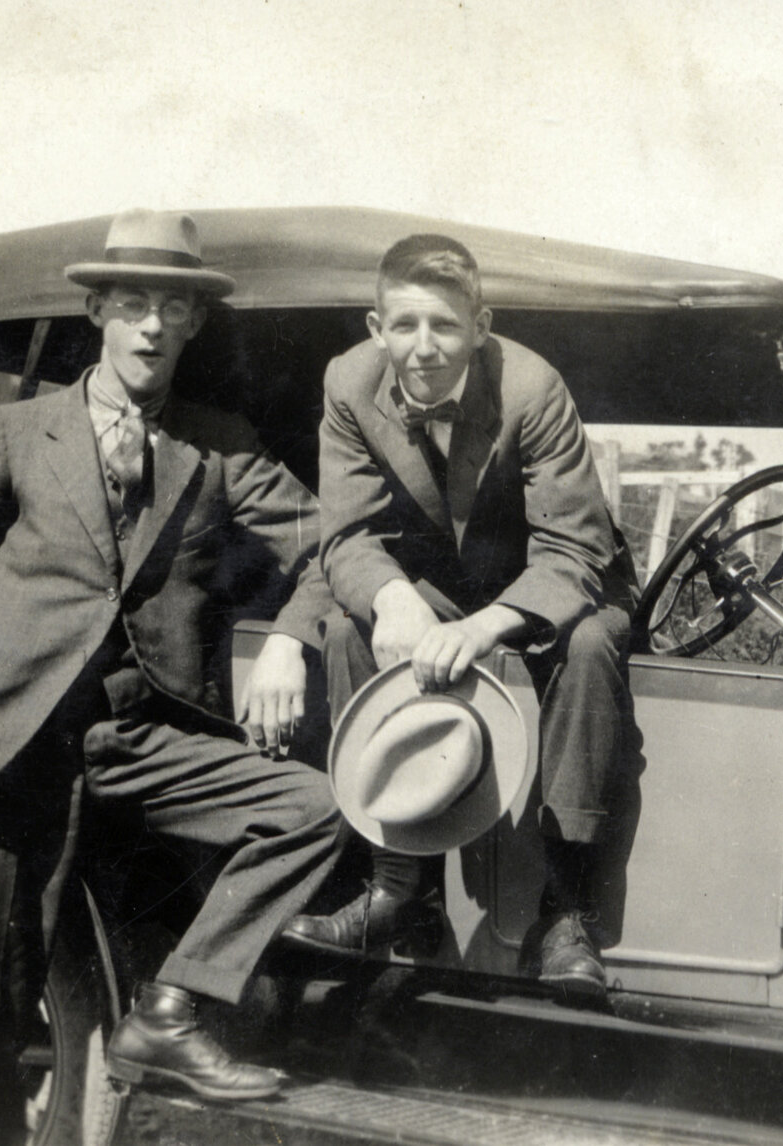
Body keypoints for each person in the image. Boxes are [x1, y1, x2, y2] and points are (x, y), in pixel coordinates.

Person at [0, 209, 345, 1142]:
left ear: (196, 323)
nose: (153, 326)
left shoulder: (218, 446)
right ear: (97, 309)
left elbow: (330, 545)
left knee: (311, 811)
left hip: (137, 736)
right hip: (1, 745)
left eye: (173, 307)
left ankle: (167, 1014)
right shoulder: (13, 432)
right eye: (134, 303)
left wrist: (292, 635)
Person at [281, 233, 637, 994]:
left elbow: (576, 550)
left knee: (595, 642)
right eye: (404, 326)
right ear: (375, 330)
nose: (424, 348)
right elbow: (345, 535)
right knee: (347, 625)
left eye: (445, 326)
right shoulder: (348, 382)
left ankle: (565, 910)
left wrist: (482, 628)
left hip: (549, 581)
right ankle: (396, 889)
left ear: (480, 325)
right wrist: (394, 598)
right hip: (435, 586)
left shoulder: (533, 387)